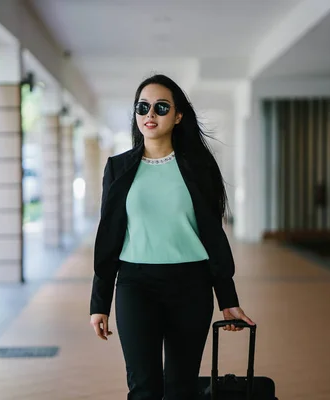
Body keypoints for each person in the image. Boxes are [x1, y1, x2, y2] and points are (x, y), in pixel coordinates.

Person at [89, 74, 255, 400]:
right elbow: (109, 237)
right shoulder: (117, 168)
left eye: (161, 107)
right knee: (143, 389)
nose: (150, 114)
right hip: (135, 286)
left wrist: (228, 298)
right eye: (143, 107)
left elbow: (212, 236)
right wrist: (100, 302)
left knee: (182, 390)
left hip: (191, 286)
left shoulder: (199, 167)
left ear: (178, 116)